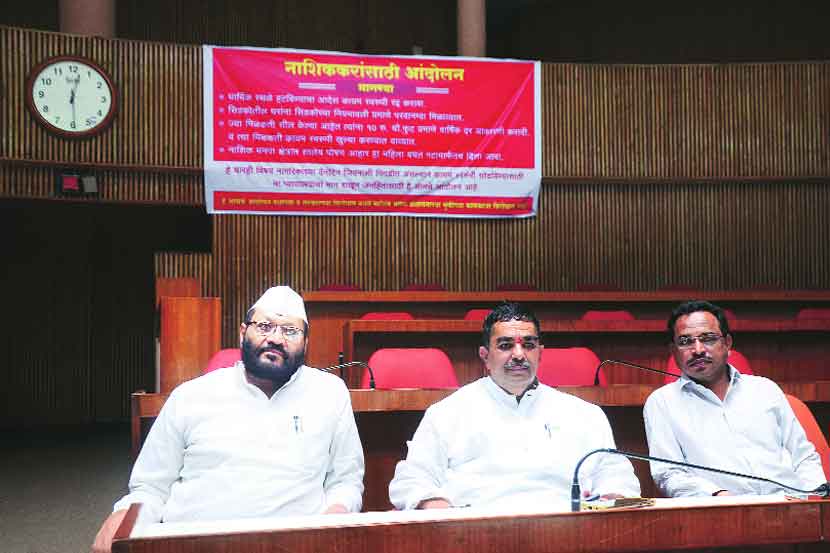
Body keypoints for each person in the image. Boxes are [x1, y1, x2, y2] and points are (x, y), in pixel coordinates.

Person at [92, 286, 364, 552]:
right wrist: (124, 515)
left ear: (306, 343)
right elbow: (151, 487)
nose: (276, 338)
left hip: (296, 546)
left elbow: (345, 481)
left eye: (290, 331)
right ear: (243, 333)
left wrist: (333, 520)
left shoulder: (329, 394)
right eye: (264, 326)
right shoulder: (190, 396)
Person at [388, 302, 640, 510]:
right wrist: (439, 510)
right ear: (485, 356)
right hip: (475, 536)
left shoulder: (583, 414)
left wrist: (612, 497)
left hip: (569, 535)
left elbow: (615, 474)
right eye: (506, 345)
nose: (519, 355)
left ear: (540, 352)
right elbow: (413, 479)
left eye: (528, 345)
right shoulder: (447, 413)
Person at [644, 300, 825, 497]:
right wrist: (718, 496)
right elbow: (668, 474)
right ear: (673, 351)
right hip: (720, 509)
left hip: (790, 504)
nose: (698, 350)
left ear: (727, 343)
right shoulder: (662, 403)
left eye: (708, 338)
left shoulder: (765, 389)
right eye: (685, 342)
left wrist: (815, 499)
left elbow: (804, 456)